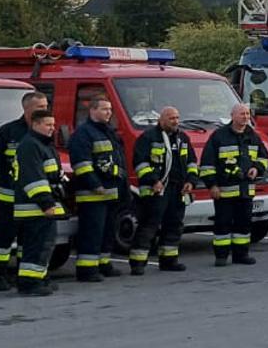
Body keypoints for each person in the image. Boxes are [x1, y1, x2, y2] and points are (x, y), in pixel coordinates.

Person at [0, 90, 48, 291]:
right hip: (9, 197)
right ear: (26, 108)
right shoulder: (8, 132)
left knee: (29, 241)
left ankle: (25, 277)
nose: (44, 110)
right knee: (2, 240)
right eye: (40, 107)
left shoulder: (44, 131)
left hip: (34, 199)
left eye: (46, 106)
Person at [128, 107, 200, 274]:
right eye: (171, 118)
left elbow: (192, 162)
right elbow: (140, 164)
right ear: (161, 120)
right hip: (156, 190)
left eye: (177, 118)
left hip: (178, 189)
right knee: (149, 225)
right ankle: (138, 263)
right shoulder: (148, 137)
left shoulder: (182, 138)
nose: (176, 121)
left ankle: (169, 261)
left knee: (174, 225)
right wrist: (154, 180)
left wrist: (191, 181)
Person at [68, 98, 126, 282]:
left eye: (110, 109)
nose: (109, 112)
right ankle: (87, 269)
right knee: (91, 233)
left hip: (110, 192)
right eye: (104, 109)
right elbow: (82, 164)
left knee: (107, 232)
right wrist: (95, 185)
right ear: (92, 110)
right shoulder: (83, 133)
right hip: (92, 195)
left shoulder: (107, 131)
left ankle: (103, 263)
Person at [203, 104, 266, 267]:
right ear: (232, 116)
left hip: (245, 191)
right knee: (222, 224)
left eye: (247, 114)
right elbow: (207, 164)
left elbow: (264, 157)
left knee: (244, 224)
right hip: (224, 191)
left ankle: (241, 255)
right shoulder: (219, 136)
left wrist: (256, 168)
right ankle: (221, 256)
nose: (245, 117)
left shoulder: (253, 135)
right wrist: (212, 185)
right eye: (242, 114)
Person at [11, 109, 65, 296]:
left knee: (43, 246)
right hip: (35, 208)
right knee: (37, 247)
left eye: (53, 124)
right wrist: (46, 203)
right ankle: (29, 284)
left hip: (40, 207)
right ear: (35, 124)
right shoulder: (30, 145)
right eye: (48, 124)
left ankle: (40, 278)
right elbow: (33, 179)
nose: (52, 128)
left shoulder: (42, 144)